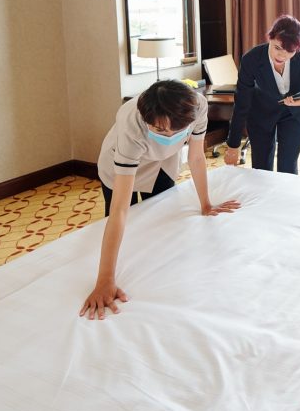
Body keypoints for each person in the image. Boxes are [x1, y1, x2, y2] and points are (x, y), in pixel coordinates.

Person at [81, 79, 239, 319]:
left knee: (161, 214)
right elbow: (120, 210)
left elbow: (196, 157)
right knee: (124, 217)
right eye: (161, 130)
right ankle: (108, 268)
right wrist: (105, 280)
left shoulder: (196, 106)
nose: (170, 135)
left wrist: (206, 204)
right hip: (121, 163)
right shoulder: (131, 123)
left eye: (177, 131)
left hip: (162, 162)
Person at [223, 15, 300, 174]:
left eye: (290, 51)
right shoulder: (251, 59)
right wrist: (233, 145)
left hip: (293, 113)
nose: (282, 55)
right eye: (277, 48)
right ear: (270, 38)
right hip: (261, 112)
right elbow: (242, 103)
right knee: (261, 169)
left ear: (298, 47)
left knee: (288, 167)